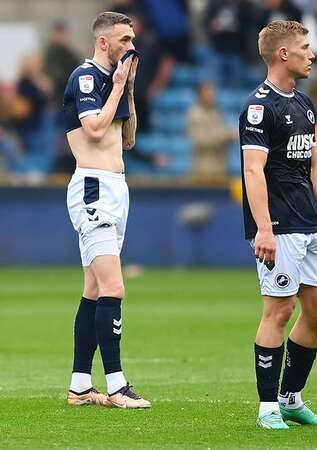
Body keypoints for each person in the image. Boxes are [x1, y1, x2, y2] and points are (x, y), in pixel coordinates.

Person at [239, 20, 317, 430]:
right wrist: (263, 228)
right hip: (279, 226)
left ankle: (290, 398)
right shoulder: (259, 106)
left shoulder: (304, 104)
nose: (311, 53)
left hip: (309, 223)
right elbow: (253, 170)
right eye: (305, 46)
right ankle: (267, 407)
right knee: (279, 311)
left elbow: (314, 164)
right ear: (283, 54)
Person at [62, 11, 150, 409]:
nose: (131, 47)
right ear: (104, 42)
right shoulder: (85, 78)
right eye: (125, 40)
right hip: (93, 186)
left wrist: (128, 88)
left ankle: (80, 385)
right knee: (114, 287)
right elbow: (95, 129)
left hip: (117, 186)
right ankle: (117, 386)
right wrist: (115, 87)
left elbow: (127, 138)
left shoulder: (115, 82)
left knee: (95, 291)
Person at [187, 81, 237, 178]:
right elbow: (200, 140)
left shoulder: (216, 111)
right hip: (204, 169)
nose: (212, 96)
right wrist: (225, 136)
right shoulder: (195, 114)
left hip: (221, 167)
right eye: (208, 93)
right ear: (200, 95)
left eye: (213, 93)